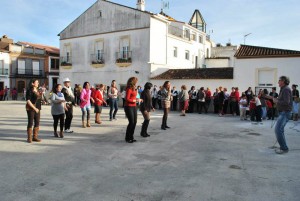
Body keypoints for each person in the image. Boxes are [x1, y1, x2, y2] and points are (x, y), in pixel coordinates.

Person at [272, 76, 293, 154]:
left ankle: (284, 148)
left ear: (283, 81)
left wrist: (276, 101)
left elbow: (286, 102)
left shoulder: (286, 89)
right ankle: (283, 147)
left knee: (278, 130)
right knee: (280, 130)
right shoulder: (283, 89)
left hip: (285, 112)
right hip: (283, 112)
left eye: (279, 81)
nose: (278, 82)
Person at [25, 79, 42, 143]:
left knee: (37, 122)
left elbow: (38, 98)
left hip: (38, 107)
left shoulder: (38, 90)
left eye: (38, 82)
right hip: (31, 108)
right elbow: (28, 100)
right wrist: (34, 108)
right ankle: (29, 138)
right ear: (32, 83)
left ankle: (35, 137)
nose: (38, 83)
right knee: (30, 122)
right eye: (37, 82)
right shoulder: (29, 90)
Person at [124, 77, 139, 143]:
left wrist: (137, 99)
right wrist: (135, 100)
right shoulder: (129, 89)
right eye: (136, 81)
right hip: (129, 106)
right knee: (131, 122)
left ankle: (131, 136)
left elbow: (135, 97)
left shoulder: (134, 89)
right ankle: (127, 137)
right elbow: (127, 99)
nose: (137, 82)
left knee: (135, 122)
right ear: (133, 81)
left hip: (134, 106)